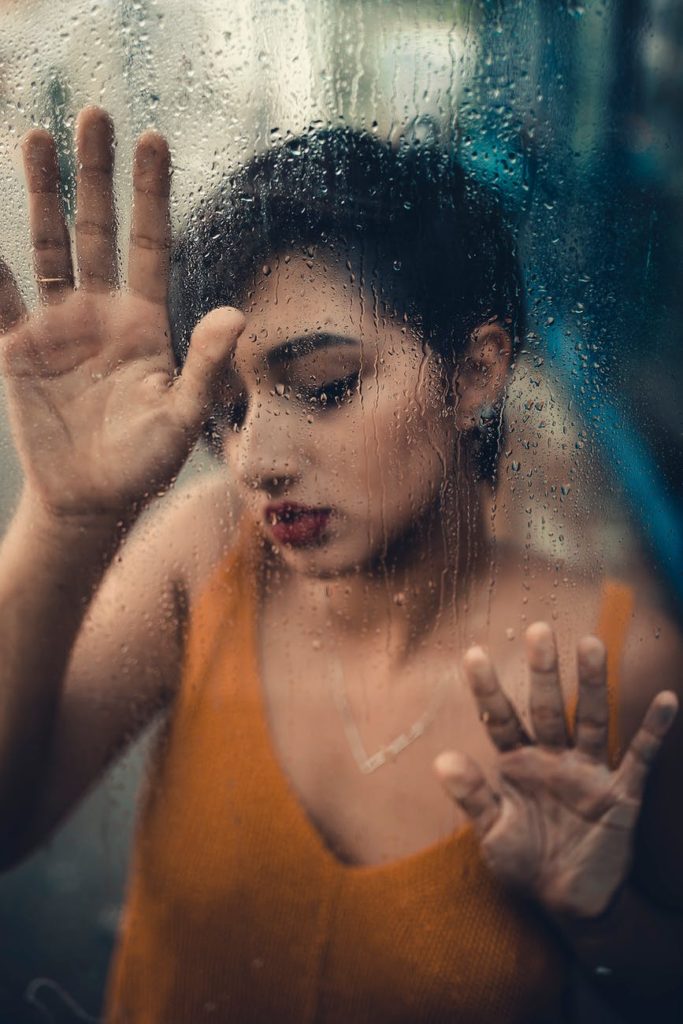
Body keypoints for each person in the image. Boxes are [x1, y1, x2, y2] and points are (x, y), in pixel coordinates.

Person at [0, 105, 682, 1024]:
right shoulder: (205, 559)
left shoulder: (619, 669)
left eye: (325, 387)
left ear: (475, 374)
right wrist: (61, 520)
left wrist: (595, 916)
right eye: (230, 411)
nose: (255, 459)